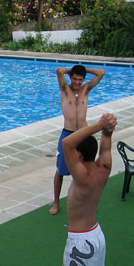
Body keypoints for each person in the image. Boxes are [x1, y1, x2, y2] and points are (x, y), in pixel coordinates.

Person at [45, 113, 117, 266]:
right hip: (97, 234)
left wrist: (97, 125)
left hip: (81, 242)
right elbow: (106, 141)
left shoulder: (82, 174)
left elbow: (66, 143)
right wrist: (107, 129)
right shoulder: (103, 167)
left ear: (79, 154)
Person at [49, 65, 106, 215]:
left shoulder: (86, 89)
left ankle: (89, 200)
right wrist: (71, 71)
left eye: (80, 79)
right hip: (67, 134)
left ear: (84, 79)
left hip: (83, 134)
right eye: (74, 79)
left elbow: (101, 72)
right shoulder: (64, 89)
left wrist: (83, 69)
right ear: (70, 78)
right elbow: (59, 70)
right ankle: (56, 202)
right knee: (60, 171)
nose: (77, 82)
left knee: (89, 167)